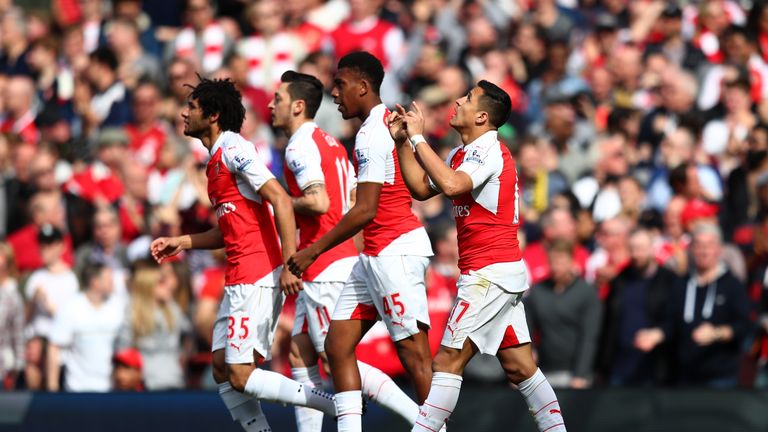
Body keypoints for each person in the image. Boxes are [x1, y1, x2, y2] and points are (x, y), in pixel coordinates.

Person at [150, 76, 335, 431]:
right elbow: (231, 227)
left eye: (191, 107)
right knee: (221, 367)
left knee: (239, 373)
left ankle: (330, 402)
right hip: (238, 275)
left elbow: (279, 199)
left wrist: (290, 264)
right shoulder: (216, 160)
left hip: (258, 274)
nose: (183, 113)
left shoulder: (235, 149)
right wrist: (183, 241)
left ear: (213, 114)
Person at [385, 80, 566, 432]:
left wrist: (420, 138)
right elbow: (423, 189)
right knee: (519, 367)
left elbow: (453, 186)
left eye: (467, 99)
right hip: (496, 272)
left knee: (447, 360)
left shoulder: (488, 150)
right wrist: (404, 142)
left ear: (482, 116)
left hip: (488, 274)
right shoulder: (461, 153)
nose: (457, 100)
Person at [287, 52, 435, 432]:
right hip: (374, 254)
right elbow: (414, 190)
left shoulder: (372, 132)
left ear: (362, 87)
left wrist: (313, 249)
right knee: (337, 348)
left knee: (414, 354)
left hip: (394, 251)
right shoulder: (382, 125)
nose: (334, 93)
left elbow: (365, 209)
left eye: (340, 85)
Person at [635, 223, 751, 388]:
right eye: (698, 245)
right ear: (690, 249)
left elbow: (743, 325)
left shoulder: (732, 285)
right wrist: (656, 334)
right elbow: (671, 322)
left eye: (709, 246)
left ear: (719, 249)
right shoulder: (681, 284)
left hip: (721, 377)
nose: (703, 252)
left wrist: (717, 333)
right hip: (685, 375)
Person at [599, 228, 679, 386]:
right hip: (620, 366)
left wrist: (659, 333)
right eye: (633, 249)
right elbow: (608, 322)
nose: (637, 254)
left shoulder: (669, 280)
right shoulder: (620, 280)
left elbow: (676, 318)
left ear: (652, 249)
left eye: (641, 249)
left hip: (653, 368)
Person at [525, 240, 602, 389]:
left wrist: (581, 374)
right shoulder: (537, 291)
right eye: (553, 261)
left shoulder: (587, 293)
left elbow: (589, 336)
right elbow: (527, 330)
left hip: (573, 373)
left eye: (561, 262)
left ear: (571, 262)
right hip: (544, 371)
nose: (556, 267)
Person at [46, 263, 124, 392]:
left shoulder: (117, 306)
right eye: (109, 279)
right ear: (95, 282)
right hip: (77, 389)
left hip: (110, 390)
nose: (113, 283)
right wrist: (52, 387)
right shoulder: (71, 308)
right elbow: (54, 347)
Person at [116, 264, 191, 391]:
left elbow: (188, 333)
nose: (168, 286)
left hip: (175, 381)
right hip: (146, 385)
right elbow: (122, 350)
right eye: (161, 282)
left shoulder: (172, 309)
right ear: (148, 287)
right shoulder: (133, 314)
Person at [23, 224, 80, 390]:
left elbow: (72, 320)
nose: (44, 249)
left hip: (59, 349)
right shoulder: (34, 277)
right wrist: (33, 302)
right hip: (36, 345)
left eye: (49, 244)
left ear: (61, 247)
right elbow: (25, 318)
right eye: (42, 244)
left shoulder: (70, 280)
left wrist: (50, 307)